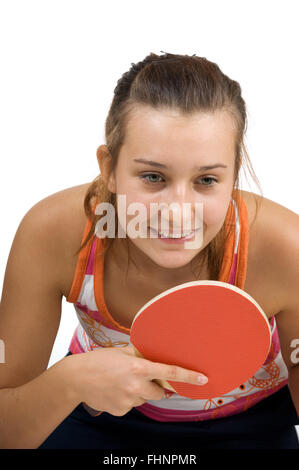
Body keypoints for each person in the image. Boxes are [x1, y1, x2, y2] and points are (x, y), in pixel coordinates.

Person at [0, 51, 298, 450]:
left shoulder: (285, 248)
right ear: (109, 168)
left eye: (206, 180)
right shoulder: (53, 233)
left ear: (233, 176)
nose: (177, 211)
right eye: (153, 176)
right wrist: (69, 381)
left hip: (252, 424)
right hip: (97, 411)